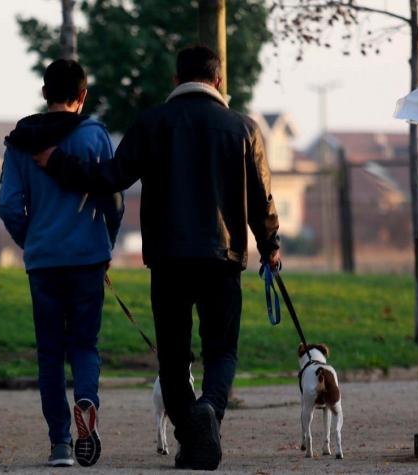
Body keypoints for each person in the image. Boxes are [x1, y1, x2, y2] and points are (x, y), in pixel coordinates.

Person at [33, 45, 280, 471]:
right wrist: (271, 244)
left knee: (173, 356)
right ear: (219, 81)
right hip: (223, 259)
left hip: (168, 260)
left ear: (175, 80)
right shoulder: (243, 128)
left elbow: (109, 178)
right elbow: (261, 197)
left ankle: (191, 436)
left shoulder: (152, 124)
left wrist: (57, 162)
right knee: (221, 351)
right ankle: (210, 413)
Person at [0, 59, 123, 468]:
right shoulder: (94, 135)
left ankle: (60, 445)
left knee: (50, 353)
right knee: (85, 344)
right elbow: (113, 198)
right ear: (82, 96)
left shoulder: (21, 140)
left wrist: (31, 240)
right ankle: (86, 401)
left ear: (44, 93)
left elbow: (8, 206)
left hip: (44, 262)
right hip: (88, 256)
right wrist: (107, 243)